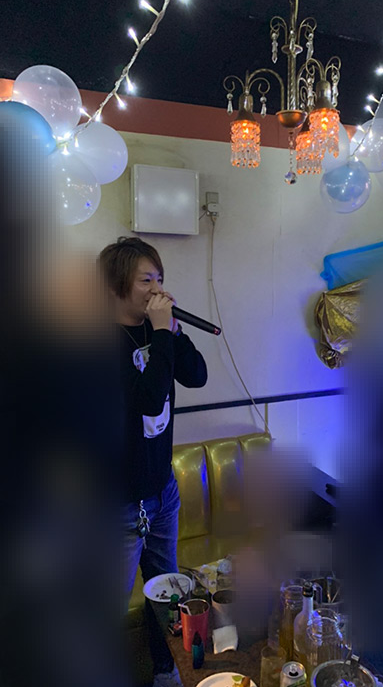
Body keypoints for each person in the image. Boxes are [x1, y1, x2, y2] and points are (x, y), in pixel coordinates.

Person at [99, 237, 208, 687]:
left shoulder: (157, 330)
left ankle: (166, 673)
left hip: (163, 490)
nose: (157, 289)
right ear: (115, 287)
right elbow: (147, 397)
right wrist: (162, 333)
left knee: (166, 593)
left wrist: (173, 332)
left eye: (160, 278)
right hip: (117, 503)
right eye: (146, 280)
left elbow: (197, 376)